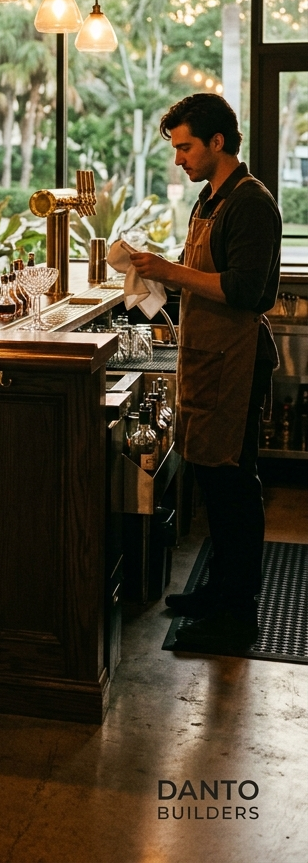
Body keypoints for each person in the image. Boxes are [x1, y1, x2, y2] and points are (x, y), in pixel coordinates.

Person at [128, 93, 281, 649]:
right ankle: (218, 589)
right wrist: (159, 273)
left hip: (237, 361)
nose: (179, 159)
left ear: (218, 142)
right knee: (214, 483)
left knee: (235, 486)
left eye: (186, 147)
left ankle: (237, 613)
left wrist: (170, 271)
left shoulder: (250, 202)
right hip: (207, 358)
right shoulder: (210, 199)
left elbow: (246, 290)